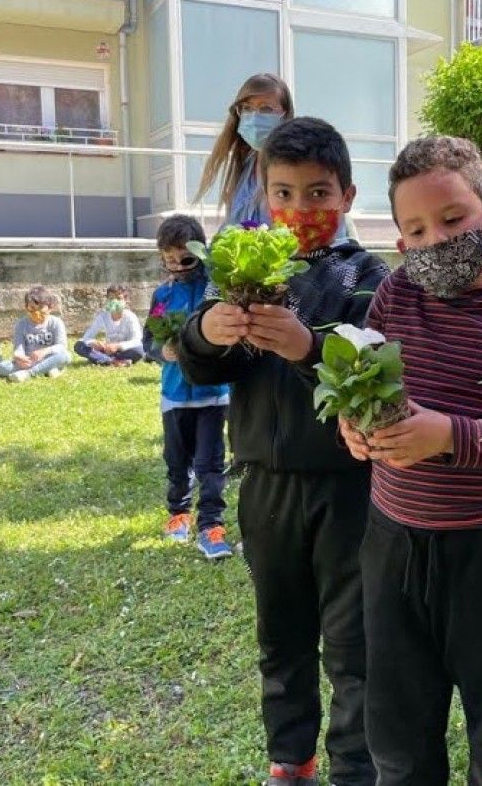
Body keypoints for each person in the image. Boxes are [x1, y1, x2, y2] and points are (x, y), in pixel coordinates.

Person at [338, 136, 482, 786]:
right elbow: (364, 390)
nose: (436, 239)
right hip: (392, 548)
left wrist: (449, 436)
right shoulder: (393, 300)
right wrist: (355, 425)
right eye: (416, 229)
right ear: (400, 242)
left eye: (454, 220)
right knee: (398, 736)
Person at [178, 118, 388, 786]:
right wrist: (209, 331)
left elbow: (375, 370)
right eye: (285, 193)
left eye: (319, 194)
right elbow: (203, 365)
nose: (301, 211)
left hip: (349, 486)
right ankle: (290, 760)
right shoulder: (244, 267)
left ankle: (353, 769)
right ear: (263, 196)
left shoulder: (368, 275)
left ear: (348, 196)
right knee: (281, 635)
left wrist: (307, 346)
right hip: (264, 484)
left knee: (353, 644)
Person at [143, 215, 233, 560]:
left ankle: (211, 523)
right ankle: (177, 513)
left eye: (185, 259)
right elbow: (148, 338)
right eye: (168, 260)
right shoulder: (162, 294)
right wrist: (161, 351)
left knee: (211, 463)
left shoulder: (216, 288)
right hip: (175, 395)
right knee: (177, 462)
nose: (177, 267)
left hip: (213, 393)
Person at [194, 72, 294, 224]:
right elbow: (232, 228)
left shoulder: (296, 168)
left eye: (265, 109)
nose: (254, 117)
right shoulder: (244, 165)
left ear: (285, 115)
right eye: (247, 108)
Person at [0, 286, 71, 382]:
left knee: (66, 356)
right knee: (2, 367)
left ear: (50, 307)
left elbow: (61, 346)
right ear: (26, 307)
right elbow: (18, 349)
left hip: (49, 358)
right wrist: (19, 357)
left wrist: (44, 351)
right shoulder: (21, 324)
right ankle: (47, 369)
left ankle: (28, 374)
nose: (36, 313)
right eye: (32, 309)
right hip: (29, 361)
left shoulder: (56, 322)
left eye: (40, 309)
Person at [74, 284, 144, 367]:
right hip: (106, 349)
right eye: (111, 298)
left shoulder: (130, 317)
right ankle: (113, 362)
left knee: (140, 350)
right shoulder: (103, 316)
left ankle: (102, 359)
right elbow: (87, 337)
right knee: (79, 345)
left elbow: (137, 340)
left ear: (126, 300)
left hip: (123, 350)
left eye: (118, 298)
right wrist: (94, 342)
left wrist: (118, 346)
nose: (114, 301)